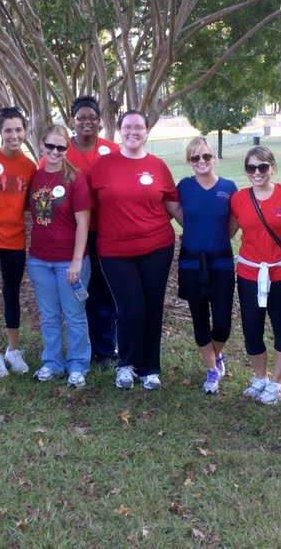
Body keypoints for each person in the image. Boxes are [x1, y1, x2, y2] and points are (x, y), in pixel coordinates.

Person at [87, 110, 180, 390]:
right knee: (129, 309)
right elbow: (84, 206)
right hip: (114, 250)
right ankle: (126, 364)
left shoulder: (158, 166)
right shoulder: (103, 165)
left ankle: (149, 368)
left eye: (139, 127)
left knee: (152, 307)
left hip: (158, 247)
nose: (133, 132)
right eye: (127, 127)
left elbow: (173, 205)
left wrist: (205, 231)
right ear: (119, 131)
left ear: (147, 131)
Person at [229, 146, 281, 405]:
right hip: (249, 273)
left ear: (272, 168)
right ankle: (260, 378)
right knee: (252, 329)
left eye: (262, 167)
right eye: (251, 168)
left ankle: (276, 383)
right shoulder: (239, 199)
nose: (257, 172)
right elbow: (229, 233)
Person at [42, 96, 120, 367]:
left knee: (104, 292)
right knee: (79, 293)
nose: (87, 122)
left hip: (106, 232)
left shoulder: (112, 150)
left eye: (92, 117)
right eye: (81, 117)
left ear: (99, 121)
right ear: (72, 120)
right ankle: (82, 350)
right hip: (71, 235)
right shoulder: (62, 150)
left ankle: (106, 350)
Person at [27, 124, 93, 387]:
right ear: (42, 145)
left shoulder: (75, 180)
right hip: (39, 259)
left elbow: (83, 224)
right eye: (50, 146)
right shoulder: (35, 177)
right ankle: (52, 362)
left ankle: (78, 364)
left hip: (69, 260)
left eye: (61, 147)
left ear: (67, 149)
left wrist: (77, 261)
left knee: (74, 314)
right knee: (49, 314)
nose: (54, 152)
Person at [0, 106, 37, 378]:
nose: (14, 135)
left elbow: (28, 205)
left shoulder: (30, 166)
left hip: (15, 239)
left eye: (18, 130)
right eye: (8, 130)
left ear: (25, 132)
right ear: (0, 133)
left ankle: (13, 349)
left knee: (12, 294)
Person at [175, 137, 237, 394]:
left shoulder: (229, 187)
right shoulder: (184, 187)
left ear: (214, 157)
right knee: (199, 318)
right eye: (195, 158)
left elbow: (232, 225)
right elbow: (180, 216)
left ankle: (216, 353)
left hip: (221, 262)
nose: (201, 162)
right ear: (189, 161)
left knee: (222, 322)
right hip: (191, 263)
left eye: (206, 157)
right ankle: (212, 369)